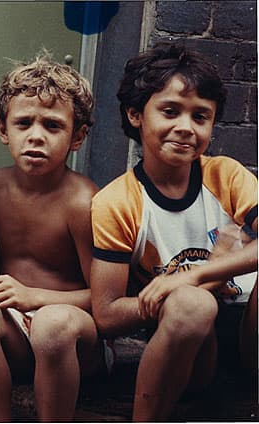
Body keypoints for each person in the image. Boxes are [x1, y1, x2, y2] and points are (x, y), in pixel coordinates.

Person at [89, 42, 258, 422]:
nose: (186, 127)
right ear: (136, 114)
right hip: (190, 342)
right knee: (192, 304)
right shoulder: (117, 202)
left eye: (201, 116)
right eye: (170, 111)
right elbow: (107, 314)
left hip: (251, 331)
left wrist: (197, 274)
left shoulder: (225, 175)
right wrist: (178, 295)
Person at [0, 51, 104, 421]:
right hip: (16, 334)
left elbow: (106, 300)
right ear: (3, 130)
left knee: (52, 324)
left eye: (52, 126)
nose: (36, 136)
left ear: (77, 137)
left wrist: (34, 296)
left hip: (73, 336)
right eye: (23, 124)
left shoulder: (83, 202)